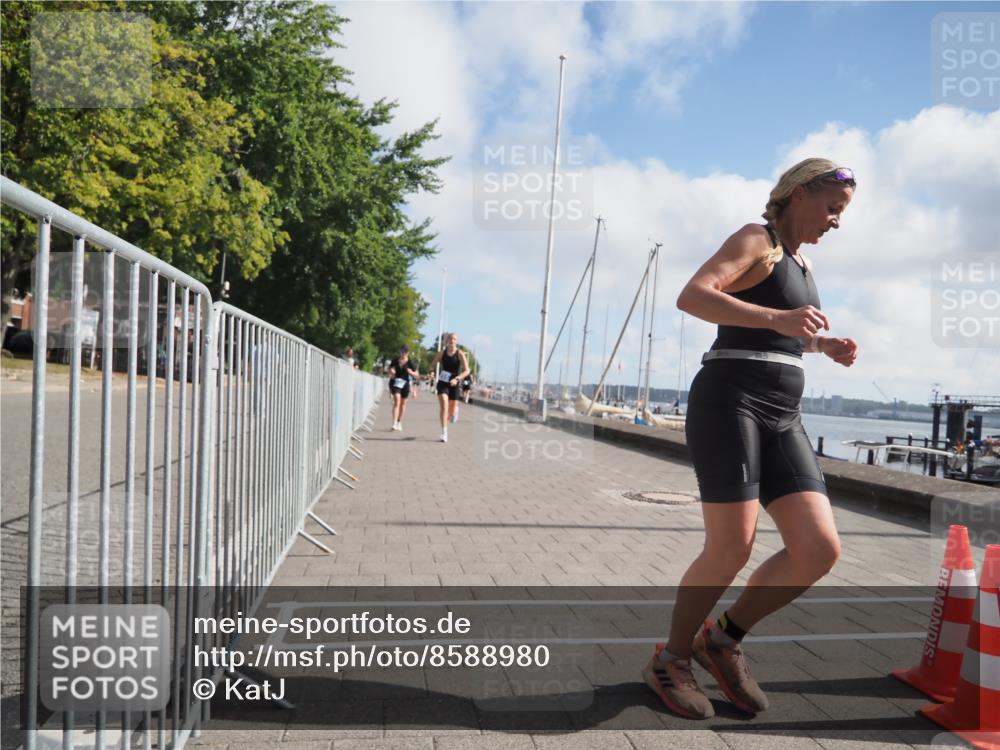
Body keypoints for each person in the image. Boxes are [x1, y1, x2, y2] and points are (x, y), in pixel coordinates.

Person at [642, 158, 859, 720]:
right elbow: (693, 296)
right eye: (833, 209)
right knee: (731, 545)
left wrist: (820, 348)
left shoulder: (802, 264)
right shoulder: (756, 239)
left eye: (842, 213)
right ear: (797, 193)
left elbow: (777, 333)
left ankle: (721, 639)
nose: (837, 222)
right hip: (729, 400)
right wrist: (777, 320)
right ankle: (669, 658)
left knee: (818, 549)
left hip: (784, 413)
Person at [428, 332, 470, 442]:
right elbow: (432, 365)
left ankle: (455, 410)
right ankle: (444, 432)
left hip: (454, 382)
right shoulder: (441, 353)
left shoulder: (460, 354)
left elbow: (467, 370)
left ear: (457, 341)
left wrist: (457, 379)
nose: (452, 341)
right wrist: (432, 372)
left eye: (454, 339)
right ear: (447, 341)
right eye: (450, 339)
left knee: (451, 411)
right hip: (443, 381)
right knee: (444, 406)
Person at [387, 346, 419, 431]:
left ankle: (399, 421)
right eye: (402, 351)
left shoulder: (410, 362)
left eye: (405, 352)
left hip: (405, 384)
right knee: (397, 401)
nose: (403, 353)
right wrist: (391, 371)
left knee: (403, 404)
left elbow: (417, 375)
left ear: (408, 353)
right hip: (395, 382)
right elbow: (389, 369)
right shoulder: (395, 360)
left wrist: (411, 372)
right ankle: (394, 423)